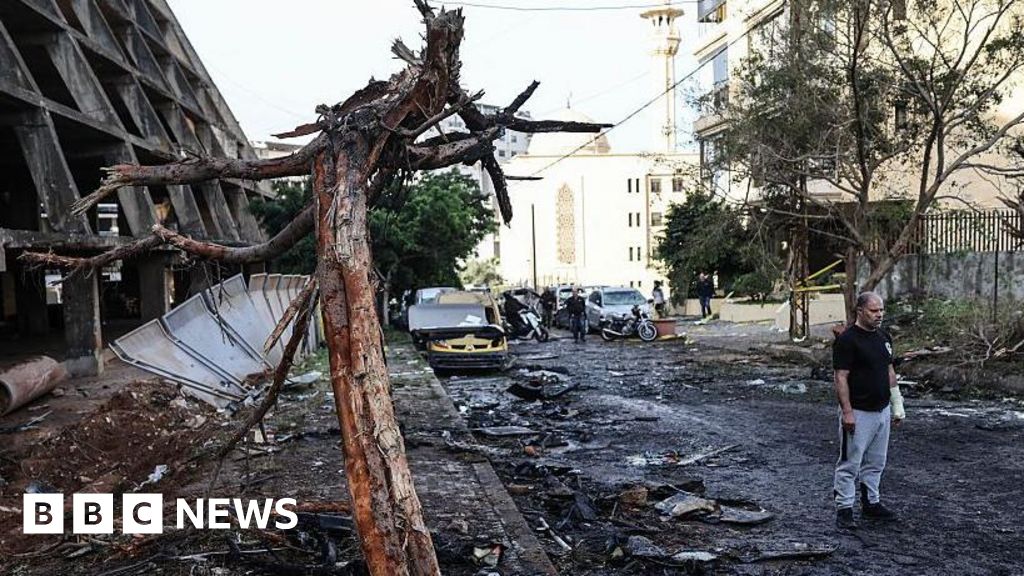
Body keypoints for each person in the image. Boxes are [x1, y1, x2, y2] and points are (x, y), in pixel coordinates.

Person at [832, 291, 906, 530]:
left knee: (876, 461)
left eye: (881, 310)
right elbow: (841, 377)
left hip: (881, 410)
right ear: (860, 311)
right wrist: (847, 412)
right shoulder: (847, 340)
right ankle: (844, 509)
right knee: (850, 462)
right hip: (859, 411)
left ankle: (871, 503)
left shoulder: (883, 337)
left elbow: (889, 371)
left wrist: (897, 404)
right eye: (874, 310)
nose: (879, 315)